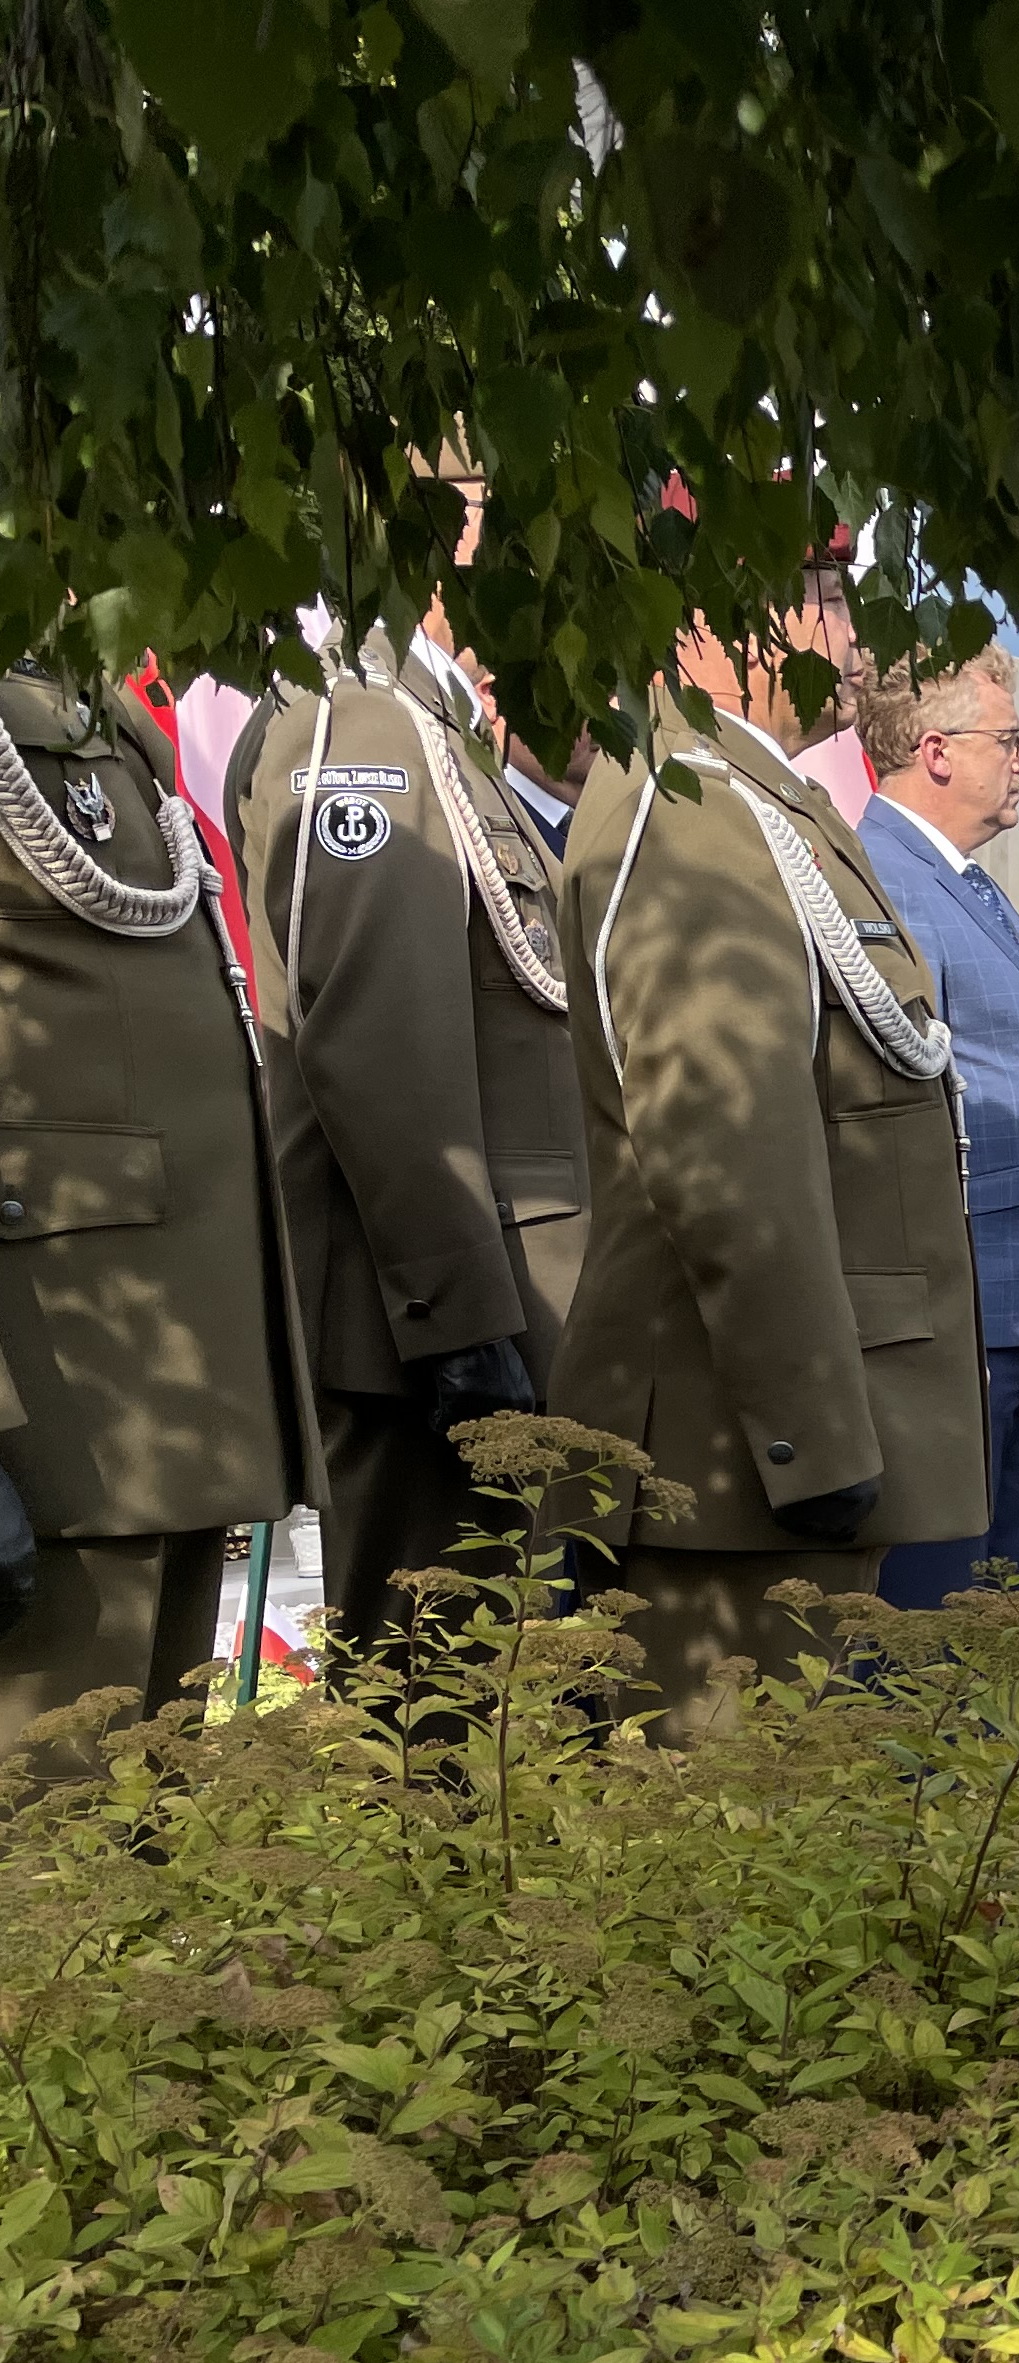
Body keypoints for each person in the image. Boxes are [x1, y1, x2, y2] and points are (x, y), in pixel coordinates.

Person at [553, 558, 990, 1738]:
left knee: (765, 1862)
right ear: (713, 614)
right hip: (734, 1459)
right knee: (706, 1858)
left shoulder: (750, 799)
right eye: (829, 599)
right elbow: (721, 1149)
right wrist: (811, 1432)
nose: (853, 635)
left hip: (761, 1458)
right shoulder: (692, 810)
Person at [229, 606, 582, 1650]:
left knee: (506, 1714)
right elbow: (372, 1040)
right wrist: (460, 1323)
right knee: (441, 1723)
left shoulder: (432, 726)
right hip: (424, 1330)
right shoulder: (365, 722)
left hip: (489, 1303)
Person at [0, 666, 316, 1746]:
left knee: (148, 1821)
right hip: (63, 1388)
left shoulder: (86, 690)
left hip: (172, 1369)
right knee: (52, 1827)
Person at [853, 645, 1019, 1607]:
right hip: (963, 1291)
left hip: (1014, 1294)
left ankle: (985, 1759)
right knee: (947, 1592)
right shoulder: (884, 882)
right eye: (1010, 740)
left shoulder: (961, 881)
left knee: (1003, 1591)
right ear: (937, 751)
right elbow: (904, 1099)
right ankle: (930, 1765)